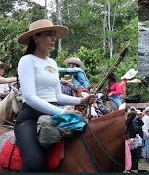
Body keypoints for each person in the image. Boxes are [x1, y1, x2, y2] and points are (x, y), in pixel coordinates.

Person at [16, 19, 95, 172]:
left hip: (54, 115)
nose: (54, 39)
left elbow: (58, 96)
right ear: (35, 38)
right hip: (30, 117)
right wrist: (62, 111)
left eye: (54, 35)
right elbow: (30, 97)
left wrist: (81, 100)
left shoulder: (52, 62)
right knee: (34, 162)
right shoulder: (26, 60)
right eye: (48, 35)